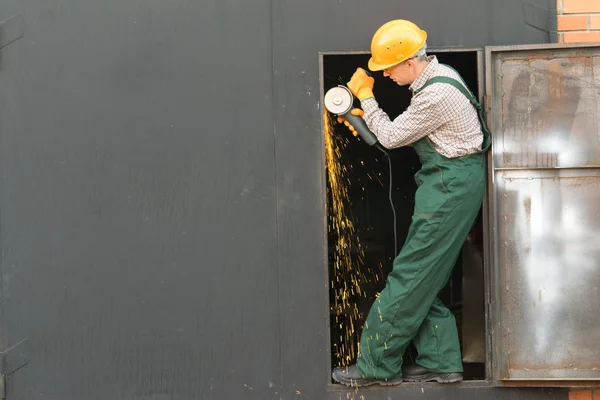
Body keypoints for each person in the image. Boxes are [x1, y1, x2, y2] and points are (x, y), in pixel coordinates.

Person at [332, 19, 491, 387]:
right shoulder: (440, 75)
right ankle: (440, 360)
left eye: (389, 67)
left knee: (409, 274)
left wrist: (367, 98)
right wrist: (366, 114)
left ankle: (376, 366)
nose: (385, 74)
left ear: (409, 62)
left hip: (449, 188)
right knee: (426, 274)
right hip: (450, 183)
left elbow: (389, 136)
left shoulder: (436, 96)